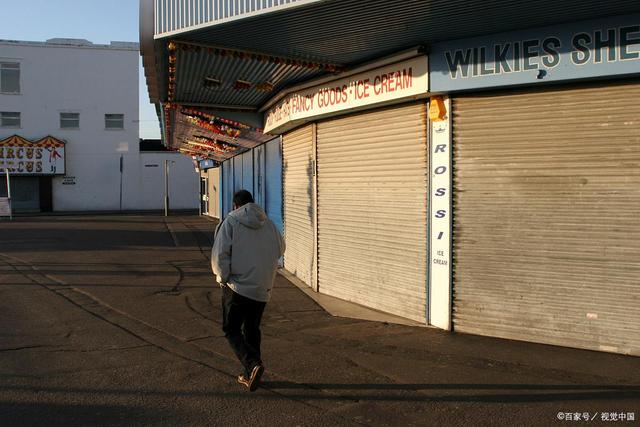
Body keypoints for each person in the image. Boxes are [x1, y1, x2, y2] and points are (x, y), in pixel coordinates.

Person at [211, 189, 285, 391]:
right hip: (262, 288)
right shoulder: (268, 223)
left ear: (236, 206)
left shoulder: (231, 222)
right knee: (252, 329)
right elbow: (281, 249)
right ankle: (253, 370)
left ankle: (252, 365)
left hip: (237, 287)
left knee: (231, 329)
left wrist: (222, 278)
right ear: (252, 203)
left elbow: (220, 255)